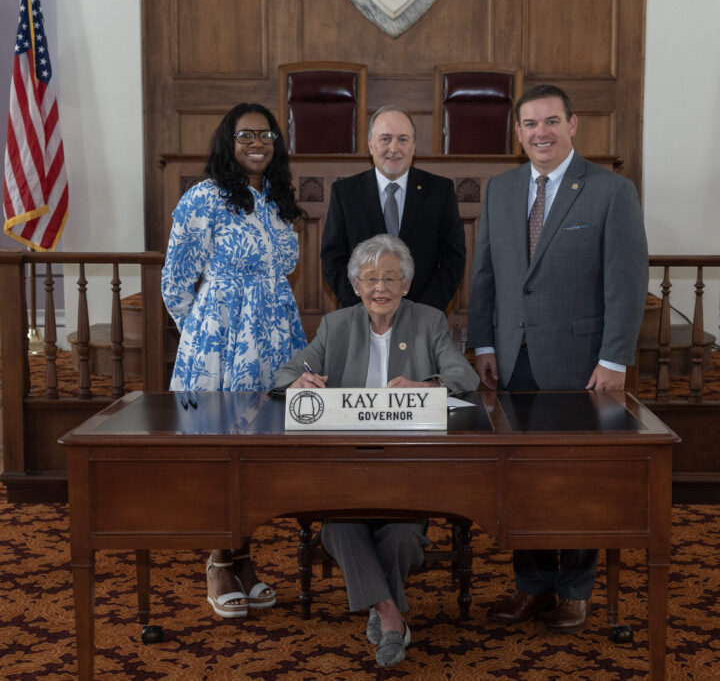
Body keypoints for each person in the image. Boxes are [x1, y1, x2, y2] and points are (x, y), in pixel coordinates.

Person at [467, 84, 649, 633]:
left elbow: (626, 280)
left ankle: (575, 590)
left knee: (577, 479)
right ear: (517, 131)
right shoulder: (500, 190)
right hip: (512, 360)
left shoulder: (610, 191)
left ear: (573, 125)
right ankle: (532, 586)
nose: (539, 133)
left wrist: (615, 358)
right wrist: (484, 344)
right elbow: (487, 275)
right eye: (529, 124)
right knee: (521, 478)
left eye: (550, 121)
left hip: (581, 362)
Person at [274, 234, 478, 667]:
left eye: (390, 278)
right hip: (347, 469)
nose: (380, 287)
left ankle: (378, 608)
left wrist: (427, 386)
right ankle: (390, 616)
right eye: (370, 279)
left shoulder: (428, 321)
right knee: (339, 529)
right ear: (356, 286)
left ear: (406, 285)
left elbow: (464, 375)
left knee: (403, 535)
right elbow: (290, 369)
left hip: (409, 469)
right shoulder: (337, 325)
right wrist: (297, 381)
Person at [161, 102, 306, 620]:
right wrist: (205, 334)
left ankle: (244, 555)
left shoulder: (277, 200)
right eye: (246, 135)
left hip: (275, 340)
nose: (257, 143)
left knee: (260, 452)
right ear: (229, 140)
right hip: (220, 347)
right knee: (223, 449)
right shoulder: (203, 199)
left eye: (266, 134)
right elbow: (175, 284)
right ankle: (220, 559)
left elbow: (282, 272)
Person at [320, 105, 465, 312]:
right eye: (385, 139)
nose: (394, 148)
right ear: (371, 145)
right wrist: (364, 307)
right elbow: (332, 259)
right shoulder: (345, 193)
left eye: (403, 140)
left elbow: (453, 258)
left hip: (422, 317)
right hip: (362, 316)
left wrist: (421, 311)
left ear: (413, 146)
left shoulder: (440, 191)